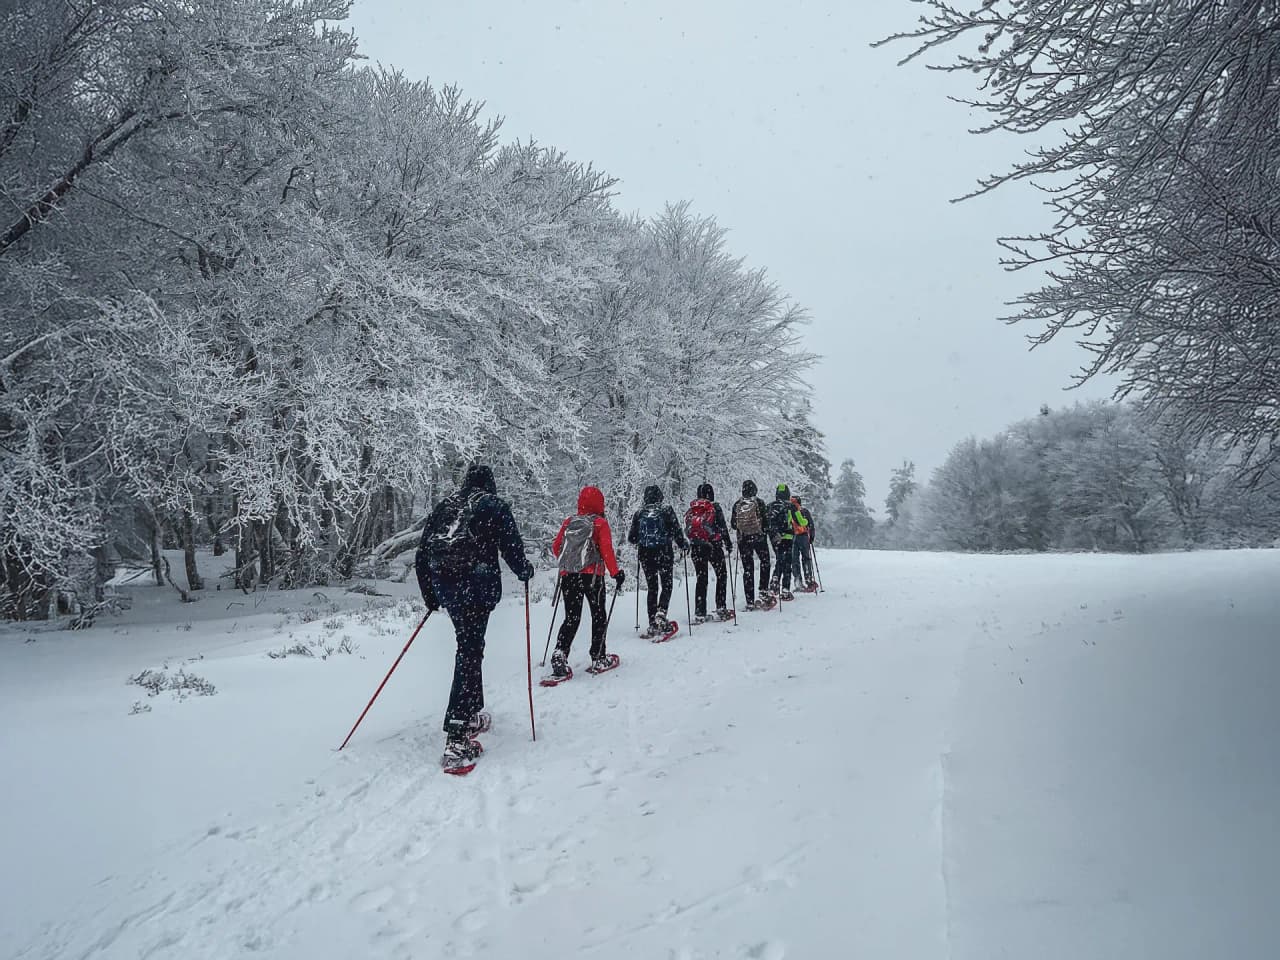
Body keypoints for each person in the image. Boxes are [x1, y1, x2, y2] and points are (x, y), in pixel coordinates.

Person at [415, 464, 535, 770]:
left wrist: (431, 595)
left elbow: (423, 552)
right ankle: (456, 735)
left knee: (470, 646)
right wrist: (524, 570)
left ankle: (469, 713)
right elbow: (511, 546)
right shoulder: (493, 506)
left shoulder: (446, 506)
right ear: (489, 485)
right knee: (469, 650)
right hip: (476, 587)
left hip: (448, 589)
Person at [549, 485, 624, 679]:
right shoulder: (599, 523)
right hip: (593, 577)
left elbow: (556, 547)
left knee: (572, 617)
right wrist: (615, 573)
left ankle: (560, 654)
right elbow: (606, 550)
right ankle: (598, 656)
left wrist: (571, 564)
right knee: (598, 615)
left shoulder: (569, 521)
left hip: (569, 576)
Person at [628, 484, 688, 637]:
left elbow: (632, 538)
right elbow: (676, 531)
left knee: (652, 588)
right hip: (664, 552)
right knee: (667, 584)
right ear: (660, 497)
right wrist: (683, 544)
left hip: (646, 554)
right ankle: (661, 613)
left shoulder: (639, 513)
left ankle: (652, 623)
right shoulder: (666, 510)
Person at [684, 482, 733, 623]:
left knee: (701, 579)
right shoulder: (714, 507)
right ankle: (721, 607)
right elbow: (723, 527)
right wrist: (728, 543)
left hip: (696, 546)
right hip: (713, 546)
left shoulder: (693, 509)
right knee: (721, 575)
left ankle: (700, 612)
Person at [731, 479, 771, 609]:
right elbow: (766, 523)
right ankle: (763, 591)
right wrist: (764, 531)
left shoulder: (737, 504)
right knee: (765, 562)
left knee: (748, 569)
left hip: (744, 540)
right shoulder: (759, 502)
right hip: (759, 538)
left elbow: (733, 524)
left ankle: (749, 601)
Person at [766, 483, 797, 602]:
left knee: (780, 559)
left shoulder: (770, 506)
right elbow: (800, 521)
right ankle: (785, 590)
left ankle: (775, 579)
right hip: (788, 536)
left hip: (774, 537)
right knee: (787, 562)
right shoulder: (791, 506)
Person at [790, 495, 817, 591]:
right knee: (806, 559)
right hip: (804, 537)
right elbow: (811, 525)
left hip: (792, 538)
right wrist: (812, 537)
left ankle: (798, 583)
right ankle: (809, 580)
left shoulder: (789, 511)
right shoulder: (804, 511)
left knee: (794, 561)